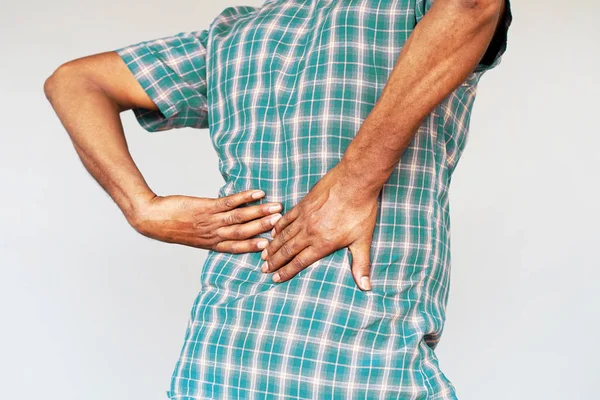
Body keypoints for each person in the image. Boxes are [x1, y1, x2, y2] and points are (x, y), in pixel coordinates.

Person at [44, 0, 512, 398]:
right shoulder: (240, 31)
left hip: (216, 365)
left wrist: (356, 180)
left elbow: (75, 81)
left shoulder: (237, 35)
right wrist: (142, 210)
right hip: (358, 366)